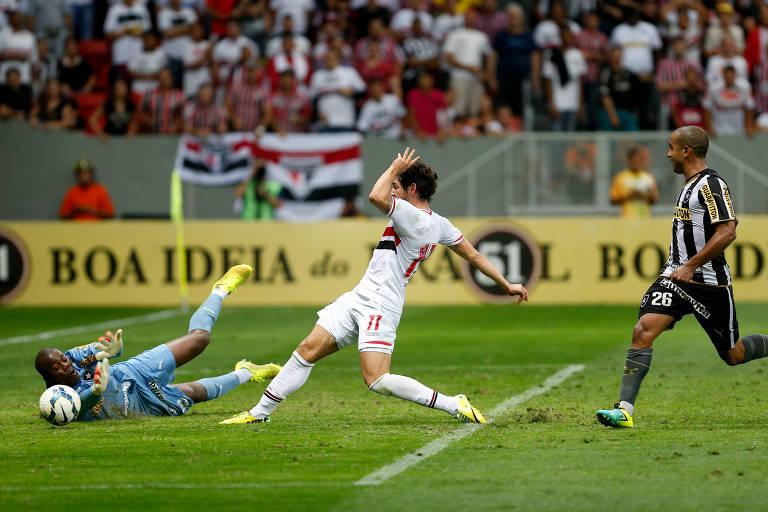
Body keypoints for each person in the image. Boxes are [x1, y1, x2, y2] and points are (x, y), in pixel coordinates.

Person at [221, 148, 529, 425]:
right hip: (362, 295)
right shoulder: (439, 223)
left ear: (411, 189)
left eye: (397, 185)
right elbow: (473, 254)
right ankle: (257, 414)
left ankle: (453, 404)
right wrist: (505, 284)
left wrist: (394, 167)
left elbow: (375, 197)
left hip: (381, 303)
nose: (392, 189)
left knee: (377, 378)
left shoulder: (413, 217)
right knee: (306, 350)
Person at [596, 126, 768, 428]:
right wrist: (681, 268)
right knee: (643, 331)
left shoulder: (710, 184)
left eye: (671, 148)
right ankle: (624, 410)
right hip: (674, 279)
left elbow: (728, 231)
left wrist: (691, 265)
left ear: (686, 151)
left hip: (709, 284)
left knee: (734, 355)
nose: (668, 154)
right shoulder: (689, 185)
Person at [34, 265, 282, 421]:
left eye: (62, 359)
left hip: (134, 370)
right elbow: (80, 406)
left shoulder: (73, 357)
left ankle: (220, 289)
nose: (65, 364)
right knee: (195, 393)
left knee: (200, 339)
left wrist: (113, 349)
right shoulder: (59, 399)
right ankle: (247, 372)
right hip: (138, 405)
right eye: (56, 366)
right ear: (48, 376)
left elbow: (100, 351)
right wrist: (96, 391)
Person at [609, 145, 658, 218]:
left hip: (645, 218)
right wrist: (629, 195)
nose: (637, 163)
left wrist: (644, 194)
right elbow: (613, 200)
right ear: (629, 160)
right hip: (627, 218)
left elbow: (654, 200)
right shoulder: (621, 177)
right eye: (634, 160)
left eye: (639, 160)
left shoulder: (648, 178)